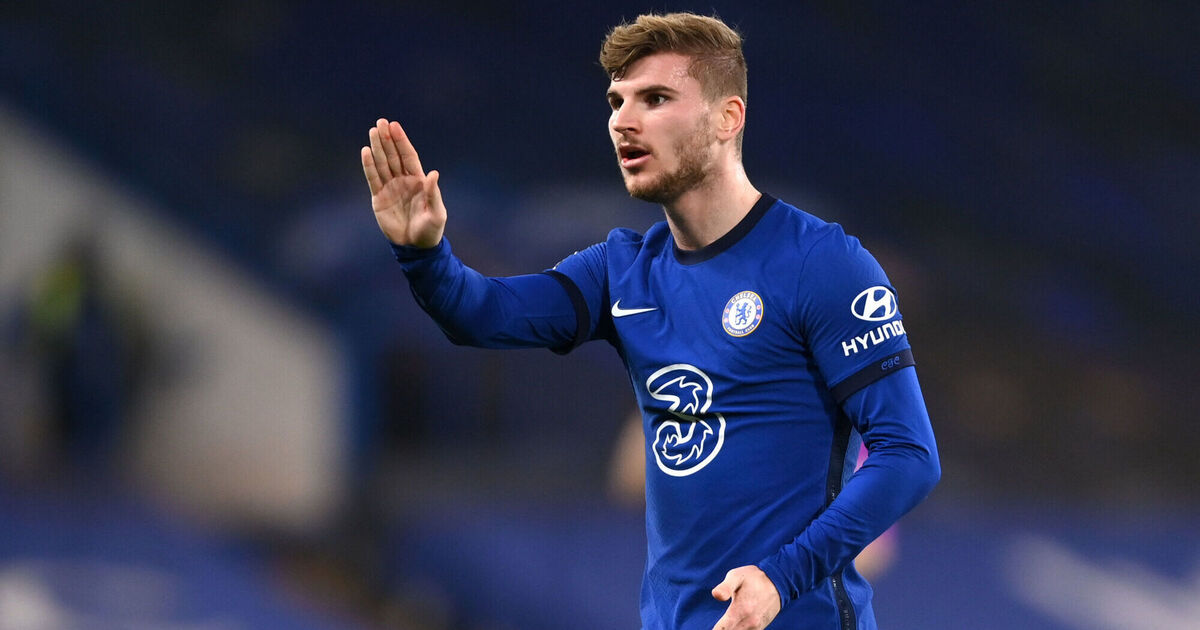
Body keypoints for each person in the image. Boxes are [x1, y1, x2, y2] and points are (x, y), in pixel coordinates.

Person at [361, 12, 939, 630]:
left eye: (656, 98)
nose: (623, 121)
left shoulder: (820, 263)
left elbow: (908, 454)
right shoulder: (622, 271)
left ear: (728, 117)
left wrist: (781, 578)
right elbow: (483, 314)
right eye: (617, 101)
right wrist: (423, 255)